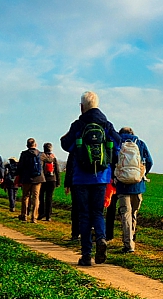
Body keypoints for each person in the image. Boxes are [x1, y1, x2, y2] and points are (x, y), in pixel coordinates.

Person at [60, 91, 121, 266]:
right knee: (97, 213)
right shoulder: (106, 124)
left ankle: (86, 255)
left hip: (80, 178)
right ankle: (101, 238)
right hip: (101, 177)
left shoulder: (78, 124)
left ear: (82, 107)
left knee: (84, 215)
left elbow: (66, 144)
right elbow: (117, 144)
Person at [113, 127, 153, 253]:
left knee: (125, 214)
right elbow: (150, 161)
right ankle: (132, 236)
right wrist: (142, 174)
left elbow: (112, 161)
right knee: (134, 213)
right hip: (137, 184)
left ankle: (128, 243)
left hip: (122, 185)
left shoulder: (117, 144)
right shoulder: (140, 143)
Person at [17, 138, 46, 223]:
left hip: (26, 178)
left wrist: (18, 175)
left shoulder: (24, 154)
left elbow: (20, 167)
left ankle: (24, 215)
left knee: (25, 197)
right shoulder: (41, 154)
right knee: (36, 198)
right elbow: (48, 161)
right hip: (38, 178)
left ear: (27, 145)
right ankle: (34, 217)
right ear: (35, 145)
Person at [37, 143, 59, 221]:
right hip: (52, 180)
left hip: (43, 179)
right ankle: (48, 215)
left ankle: (41, 213)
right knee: (49, 198)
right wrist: (58, 181)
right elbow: (57, 170)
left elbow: (40, 168)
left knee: (41, 197)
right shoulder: (53, 157)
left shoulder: (41, 156)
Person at [62, 154, 79, 241]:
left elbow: (70, 167)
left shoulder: (76, 147)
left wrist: (67, 184)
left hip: (76, 182)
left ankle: (75, 234)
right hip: (95, 182)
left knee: (76, 208)